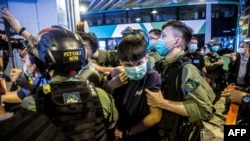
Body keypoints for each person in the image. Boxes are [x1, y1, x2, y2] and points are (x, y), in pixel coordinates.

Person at [145, 20, 215, 141]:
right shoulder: (160, 66)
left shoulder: (187, 70)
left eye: (164, 36)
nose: (159, 40)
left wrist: (161, 103)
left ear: (177, 41)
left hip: (177, 134)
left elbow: (204, 110)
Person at [104, 34, 162, 141]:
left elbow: (155, 116)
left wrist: (126, 133)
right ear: (121, 62)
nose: (135, 69)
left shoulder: (152, 77)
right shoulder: (116, 75)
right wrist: (111, 86)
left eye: (139, 63)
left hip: (142, 135)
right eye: (129, 65)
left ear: (147, 57)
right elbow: (106, 103)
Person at [0, 51, 69, 141]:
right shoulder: (40, 78)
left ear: (33, 66)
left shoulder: (42, 82)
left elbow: (17, 96)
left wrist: (1, 73)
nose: (23, 62)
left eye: (25, 61)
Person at [222, 41, 250, 114]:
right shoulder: (237, 56)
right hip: (234, 81)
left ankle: (241, 111)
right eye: (240, 47)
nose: (240, 48)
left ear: (248, 48)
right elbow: (230, 65)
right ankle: (227, 108)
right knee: (229, 96)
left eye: (243, 47)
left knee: (241, 97)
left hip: (245, 83)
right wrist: (232, 60)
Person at [204, 39, 226, 106]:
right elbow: (207, 66)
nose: (216, 47)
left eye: (217, 45)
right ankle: (208, 107)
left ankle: (212, 105)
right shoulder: (206, 56)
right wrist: (217, 63)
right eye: (214, 45)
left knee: (218, 94)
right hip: (211, 79)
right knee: (210, 94)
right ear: (210, 46)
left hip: (218, 78)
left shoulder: (217, 55)